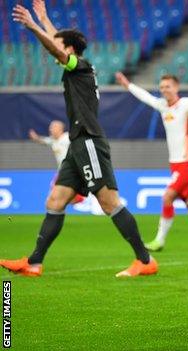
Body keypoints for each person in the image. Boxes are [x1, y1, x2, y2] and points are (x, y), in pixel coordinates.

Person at [1, 1, 157, 277]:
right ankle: (35, 262)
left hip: (89, 140)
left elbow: (58, 49)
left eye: (60, 45)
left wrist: (35, 27)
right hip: (76, 144)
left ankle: (145, 261)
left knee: (109, 202)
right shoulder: (77, 65)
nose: (54, 49)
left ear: (69, 50)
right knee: (55, 200)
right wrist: (45, 18)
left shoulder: (80, 66)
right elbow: (60, 45)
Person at [115, 70, 188, 252]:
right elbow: (145, 97)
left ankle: (160, 240)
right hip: (175, 165)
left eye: (168, 86)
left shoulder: (186, 105)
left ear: (176, 87)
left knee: (167, 197)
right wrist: (128, 85)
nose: (164, 90)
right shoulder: (163, 106)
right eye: (162, 87)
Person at [29, 120, 85, 204]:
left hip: (72, 172)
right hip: (62, 172)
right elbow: (44, 141)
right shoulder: (53, 140)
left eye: (53, 127)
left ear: (60, 129)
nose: (50, 129)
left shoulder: (67, 138)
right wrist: (36, 138)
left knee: (61, 195)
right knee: (58, 195)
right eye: (50, 127)